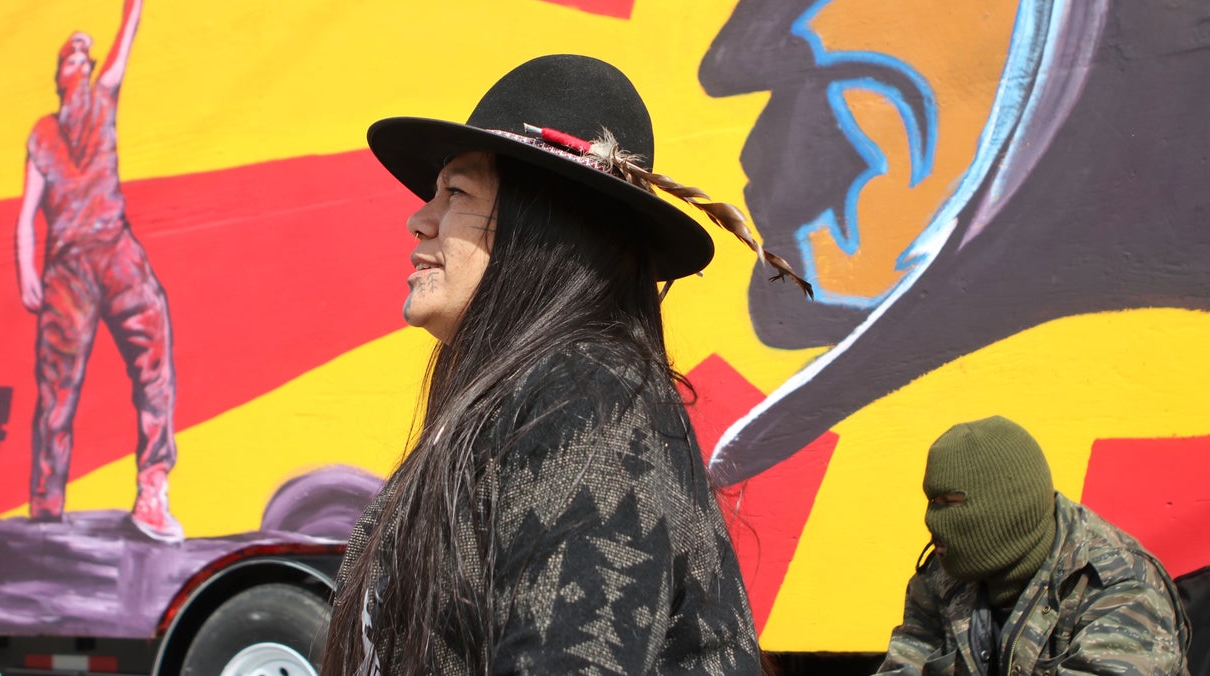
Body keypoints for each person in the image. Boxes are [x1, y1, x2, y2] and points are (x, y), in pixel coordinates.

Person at [321, 54, 812, 674]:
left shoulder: (588, 400)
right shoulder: (512, 404)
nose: (419, 220)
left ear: (542, 226)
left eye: (455, 192)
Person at [15, 0, 181, 542]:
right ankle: (45, 506)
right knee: (56, 386)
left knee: (154, 347)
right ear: (61, 74)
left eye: (87, 54)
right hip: (67, 267)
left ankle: (152, 486)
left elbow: (131, 18)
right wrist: (27, 268)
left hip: (115, 247)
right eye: (74, 55)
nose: (85, 59)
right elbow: (27, 208)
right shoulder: (42, 132)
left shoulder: (104, 96)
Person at [878, 416, 1191, 675]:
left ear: (1006, 506)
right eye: (933, 502)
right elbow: (906, 661)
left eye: (952, 503)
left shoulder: (1115, 581)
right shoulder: (941, 577)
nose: (933, 520)